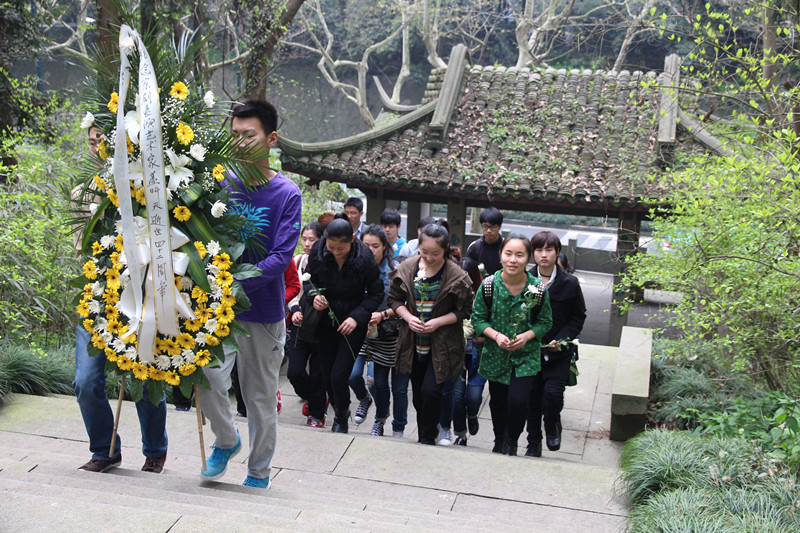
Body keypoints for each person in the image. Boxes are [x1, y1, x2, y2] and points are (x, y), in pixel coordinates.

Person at [197, 99, 302, 489]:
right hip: (218, 307)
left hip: (263, 311)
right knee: (206, 376)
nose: (239, 142)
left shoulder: (287, 193)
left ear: (271, 139)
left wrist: (237, 284)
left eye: (249, 135)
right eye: (235, 135)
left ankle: (258, 472)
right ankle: (226, 440)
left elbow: (281, 256)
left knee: (259, 398)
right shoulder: (221, 183)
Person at [73, 125, 169, 474]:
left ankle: (155, 448)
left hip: (143, 292)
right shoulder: (84, 192)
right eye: (92, 142)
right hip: (99, 296)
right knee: (85, 381)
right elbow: (82, 248)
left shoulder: (147, 185)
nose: (96, 147)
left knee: (145, 375)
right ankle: (105, 448)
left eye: (103, 141)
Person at [387, 224, 474, 445]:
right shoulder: (407, 268)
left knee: (431, 392)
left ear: (445, 249)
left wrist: (438, 322)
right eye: (424, 251)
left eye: (435, 253)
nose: (429, 257)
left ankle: (426, 439)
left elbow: (465, 310)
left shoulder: (456, 275)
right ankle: (426, 433)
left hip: (442, 344)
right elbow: (394, 299)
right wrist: (409, 317)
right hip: (413, 342)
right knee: (418, 395)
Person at [471, 233, 552, 456]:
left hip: (525, 356)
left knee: (518, 401)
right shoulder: (489, 285)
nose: (513, 260)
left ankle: (512, 440)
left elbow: (545, 322)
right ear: (501, 255)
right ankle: (500, 438)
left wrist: (527, 336)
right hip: (496, 355)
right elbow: (478, 319)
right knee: (497, 402)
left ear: (528, 259)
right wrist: (496, 336)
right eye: (508, 254)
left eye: (519, 255)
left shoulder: (537, 289)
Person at [302, 218, 384, 433]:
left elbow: (376, 294)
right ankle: (341, 409)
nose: (336, 252)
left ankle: (340, 420)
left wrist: (356, 317)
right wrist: (314, 296)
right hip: (325, 320)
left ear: (353, 239)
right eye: (332, 247)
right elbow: (309, 281)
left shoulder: (364, 258)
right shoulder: (319, 251)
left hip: (352, 323)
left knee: (339, 375)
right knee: (327, 375)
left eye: (341, 248)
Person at [525, 232, 586, 457]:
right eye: (539, 250)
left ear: (557, 252)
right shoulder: (524, 279)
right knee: (532, 399)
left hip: (559, 351)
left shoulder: (570, 283)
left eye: (549, 250)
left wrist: (561, 339)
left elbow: (578, 316)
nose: (544, 255)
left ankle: (552, 423)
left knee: (553, 394)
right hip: (530, 350)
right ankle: (533, 443)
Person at [232, 262, 300, 417]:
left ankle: (271, 397)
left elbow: (294, 285)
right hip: (239, 319)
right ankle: (243, 410)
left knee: (264, 369)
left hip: (269, 321)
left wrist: (276, 302)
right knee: (239, 369)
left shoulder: (280, 255)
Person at [350, 225, 398, 436]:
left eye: (375, 246)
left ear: (384, 246)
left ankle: (380, 419)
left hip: (386, 332)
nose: (370, 250)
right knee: (352, 375)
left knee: (379, 382)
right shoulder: (354, 266)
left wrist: (383, 314)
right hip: (360, 330)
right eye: (365, 245)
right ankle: (364, 399)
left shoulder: (395, 271)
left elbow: (403, 303)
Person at [287, 222, 329, 427]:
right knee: (294, 372)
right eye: (304, 239)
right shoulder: (297, 261)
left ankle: (317, 414)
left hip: (322, 324)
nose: (307, 244)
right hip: (300, 322)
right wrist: (295, 309)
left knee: (319, 373)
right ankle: (311, 397)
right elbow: (291, 288)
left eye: (312, 240)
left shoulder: (329, 262)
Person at [443, 257, 487, 446]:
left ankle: (472, 414)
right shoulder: (450, 292)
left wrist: (487, 334)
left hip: (478, 352)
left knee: (473, 396)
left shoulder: (484, 294)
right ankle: (461, 434)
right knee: (457, 396)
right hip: (457, 352)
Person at [466, 207, 505, 276]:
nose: (488, 230)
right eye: (485, 226)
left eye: (493, 227)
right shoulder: (474, 247)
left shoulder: (506, 246)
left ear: (500, 226)